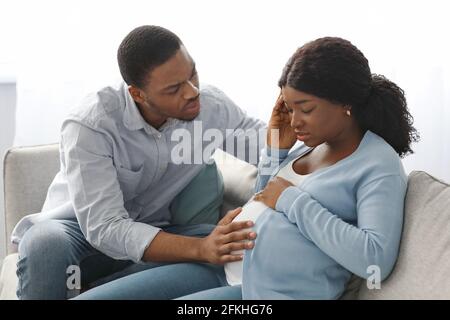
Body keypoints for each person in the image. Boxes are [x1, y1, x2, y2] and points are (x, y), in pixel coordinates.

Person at [12, 25, 266, 300]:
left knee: (230, 244)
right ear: (137, 94)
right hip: (80, 234)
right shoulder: (92, 125)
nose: (192, 92)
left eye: (192, 73)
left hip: (159, 228)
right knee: (44, 244)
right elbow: (105, 227)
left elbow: (273, 148)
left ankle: (100, 289)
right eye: (173, 89)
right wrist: (199, 249)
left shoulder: (212, 108)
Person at [176, 36, 419, 299]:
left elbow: (375, 260)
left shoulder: (379, 163)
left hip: (267, 293)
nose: (295, 122)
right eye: (290, 109)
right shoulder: (313, 144)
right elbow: (265, 197)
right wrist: (276, 148)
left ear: (345, 103)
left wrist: (291, 199)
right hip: (224, 269)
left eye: (305, 109)